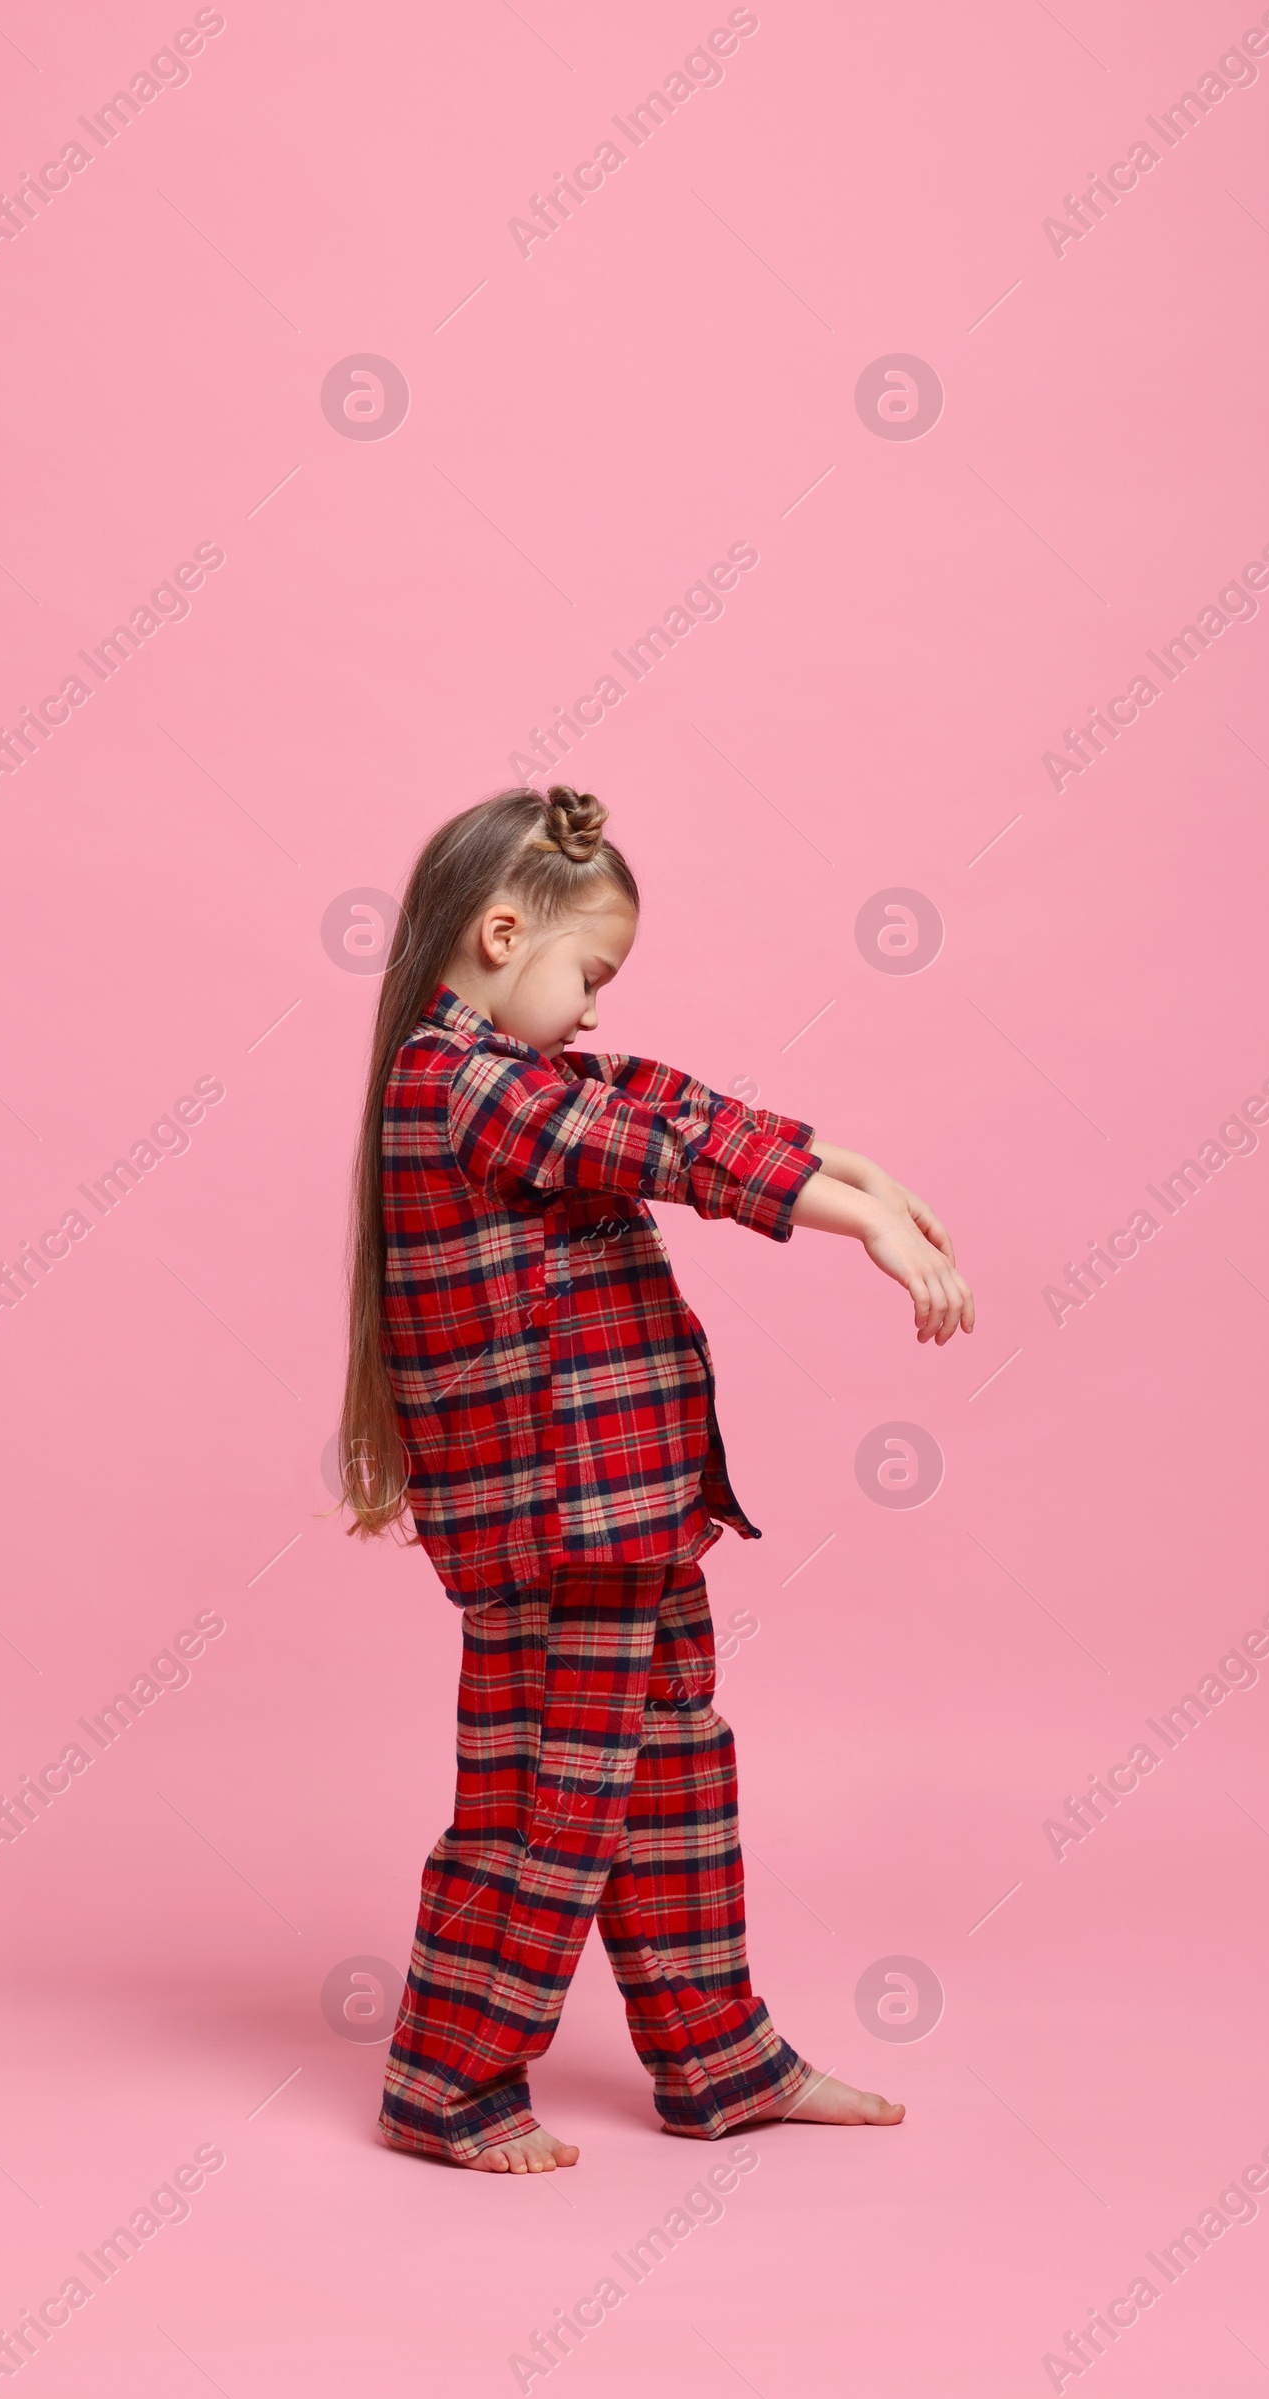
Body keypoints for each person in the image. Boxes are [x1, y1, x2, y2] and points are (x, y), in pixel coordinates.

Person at [338, 783, 974, 2172]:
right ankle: (448, 2081)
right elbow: (647, 1146)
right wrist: (850, 1217)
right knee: (545, 1801)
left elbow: (660, 1101)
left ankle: (715, 2057)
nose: (593, 1012)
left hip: (627, 1512)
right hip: (555, 1522)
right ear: (502, 933)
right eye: (589, 977)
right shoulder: (461, 1089)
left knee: (676, 1777)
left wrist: (845, 1164)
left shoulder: (522, 1074)